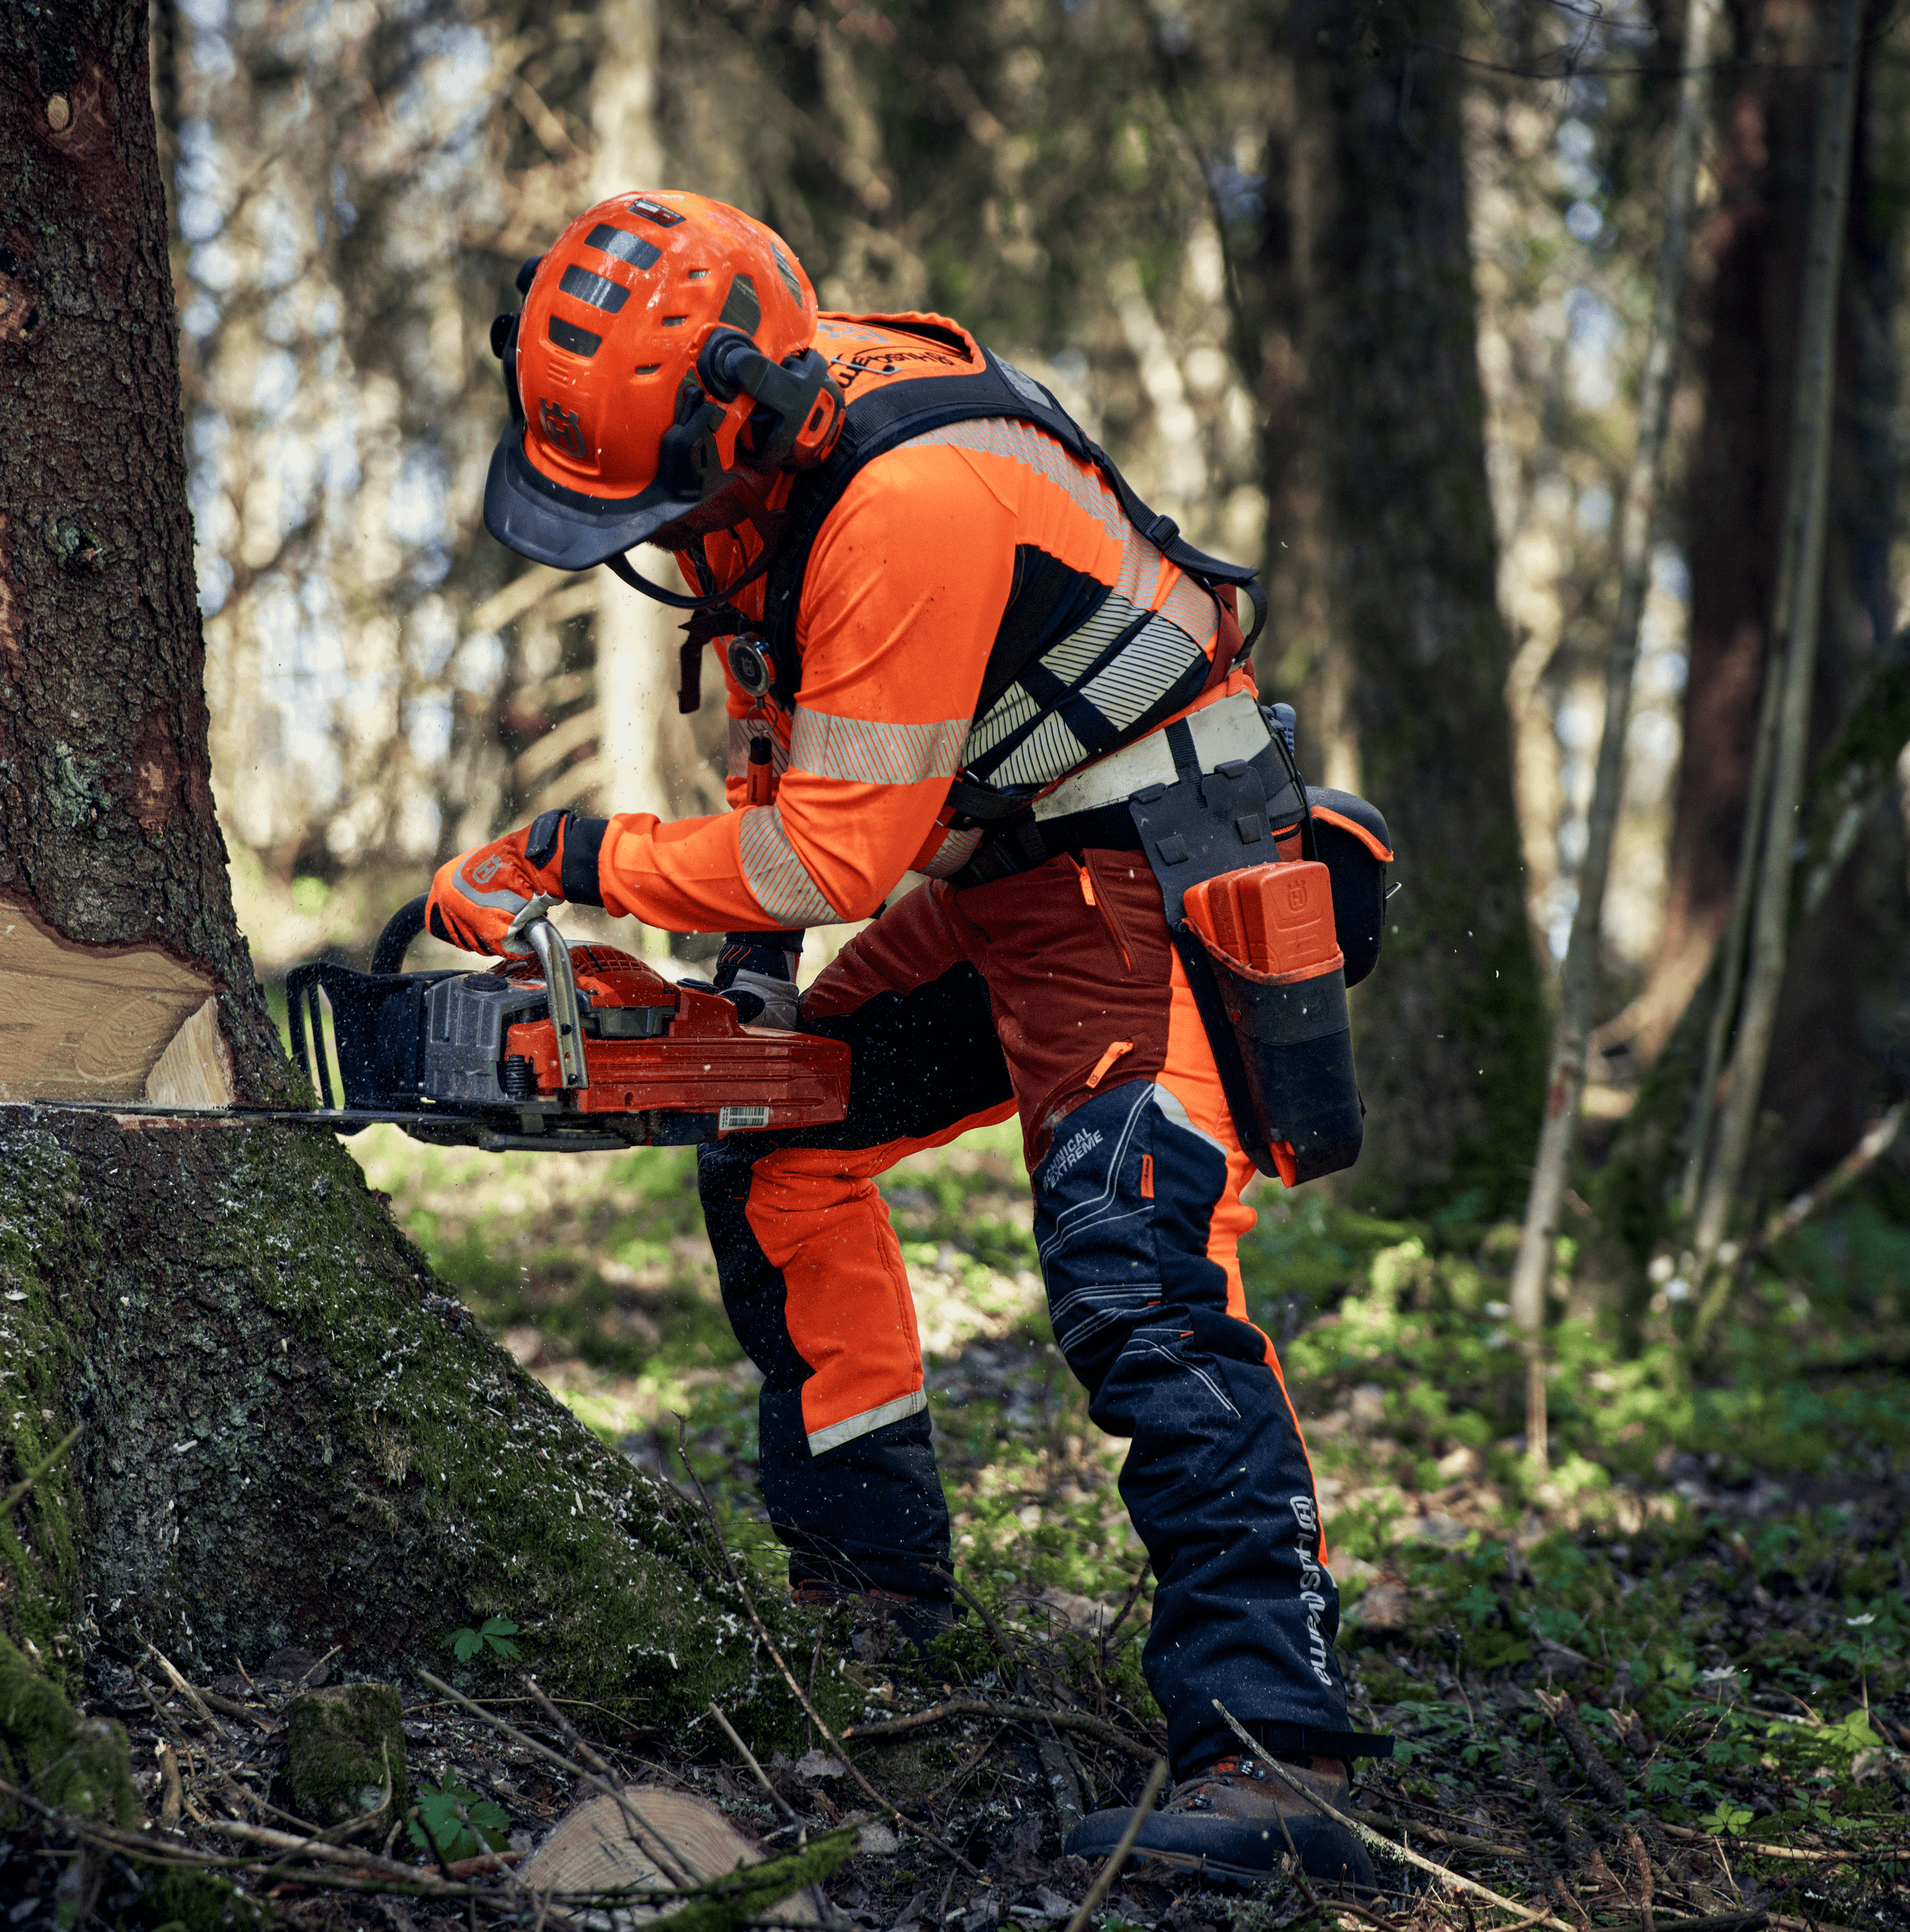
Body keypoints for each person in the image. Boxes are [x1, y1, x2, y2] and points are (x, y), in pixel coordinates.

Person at [423, 190, 1388, 1884]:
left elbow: (831, 852)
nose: (660, 531)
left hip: (1156, 871)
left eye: (668, 495)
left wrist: (584, 861)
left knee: (1134, 1258)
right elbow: (782, 777)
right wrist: (730, 1006)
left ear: (751, 418)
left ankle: (1275, 1751)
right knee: (778, 1132)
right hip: (1010, 880)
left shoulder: (907, 502)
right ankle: (875, 1595)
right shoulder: (755, 497)